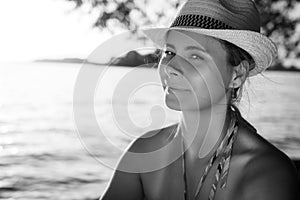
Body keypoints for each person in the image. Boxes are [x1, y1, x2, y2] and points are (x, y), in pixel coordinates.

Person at [100, 0, 300, 199]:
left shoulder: (266, 175)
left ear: (237, 75)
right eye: (169, 52)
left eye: (195, 56)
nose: (171, 67)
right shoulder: (143, 152)